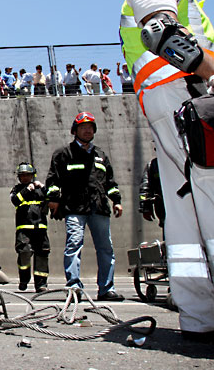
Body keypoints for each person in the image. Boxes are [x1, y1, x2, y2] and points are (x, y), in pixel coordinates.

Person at [121, 0, 214, 339]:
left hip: (171, 103)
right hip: (190, 93)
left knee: (187, 212)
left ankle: (200, 316)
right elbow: (161, 33)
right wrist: (212, 73)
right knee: (211, 200)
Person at [46, 112, 125, 301]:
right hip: (74, 207)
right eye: (83, 127)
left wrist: (117, 200)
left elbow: (110, 182)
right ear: (75, 131)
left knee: (106, 248)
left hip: (99, 207)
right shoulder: (64, 154)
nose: (87, 131)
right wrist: (54, 199)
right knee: (74, 244)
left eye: (90, 128)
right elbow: (53, 179)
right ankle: (74, 287)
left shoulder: (101, 155)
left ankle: (106, 289)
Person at [9, 162, 50, 293]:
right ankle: (24, 279)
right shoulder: (16, 190)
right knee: (24, 253)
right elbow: (15, 200)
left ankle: (41, 284)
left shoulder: (39, 189)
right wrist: (27, 189)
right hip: (24, 229)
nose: (26, 177)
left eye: (28, 175)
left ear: (33, 175)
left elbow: (52, 197)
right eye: (23, 175)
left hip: (40, 228)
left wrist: (43, 187)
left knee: (42, 254)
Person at [139, 157, 165, 229]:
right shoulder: (153, 165)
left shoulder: (182, 159)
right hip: (163, 211)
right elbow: (145, 187)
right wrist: (145, 207)